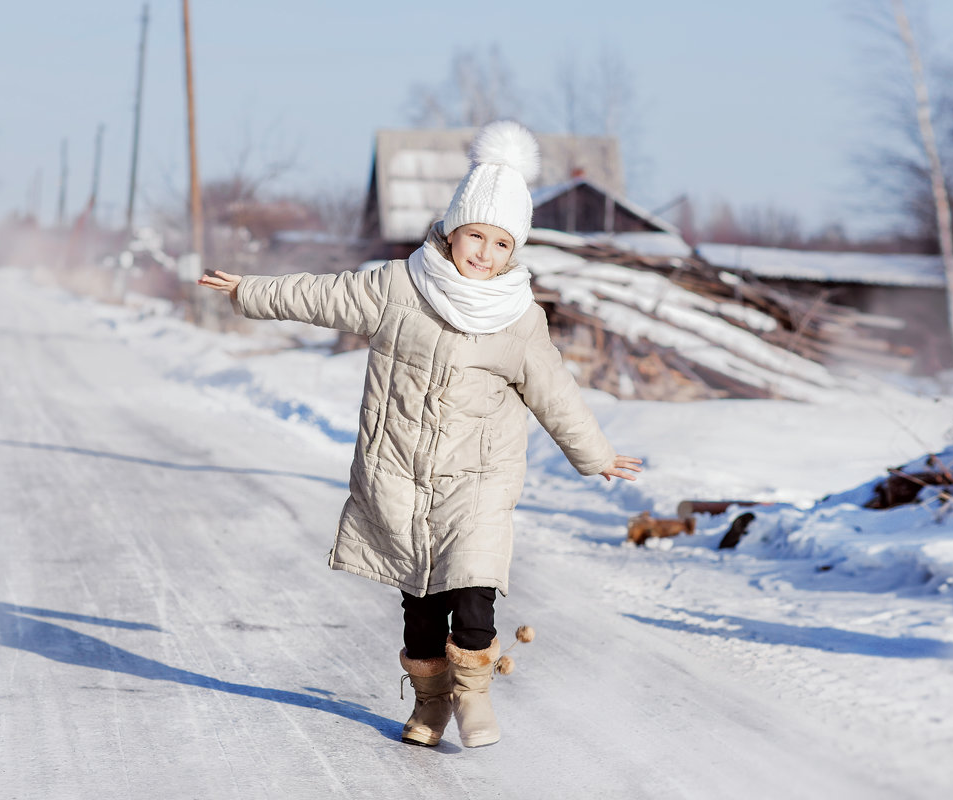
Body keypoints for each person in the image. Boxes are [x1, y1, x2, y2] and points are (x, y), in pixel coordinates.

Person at [198, 120, 642, 748]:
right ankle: (432, 704)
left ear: (515, 253)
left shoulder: (519, 319)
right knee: (422, 612)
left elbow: (555, 392)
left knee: (474, 595)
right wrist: (249, 289)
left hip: (479, 481)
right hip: (400, 474)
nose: (484, 254)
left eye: (500, 244)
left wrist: (594, 454)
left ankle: (475, 697)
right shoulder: (399, 287)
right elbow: (323, 296)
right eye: (475, 236)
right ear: (452, 229)